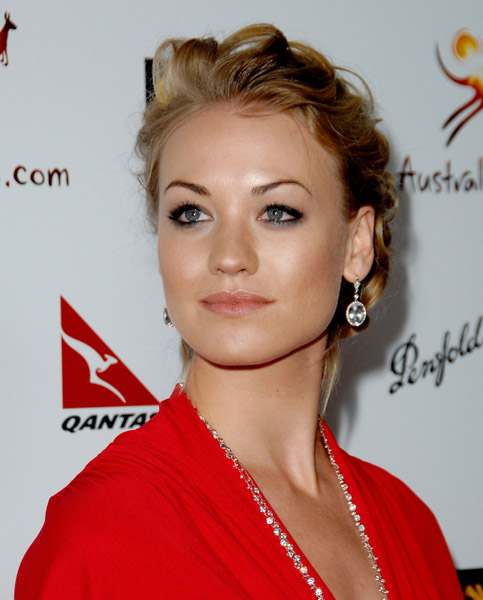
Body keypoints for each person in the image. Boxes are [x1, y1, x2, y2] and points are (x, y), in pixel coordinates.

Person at [16, 24, 463, 600]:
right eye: (191, 214)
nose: (228, 256)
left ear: (356, 245)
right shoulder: (101, 533)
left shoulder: (412, 525)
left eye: (277, 212)